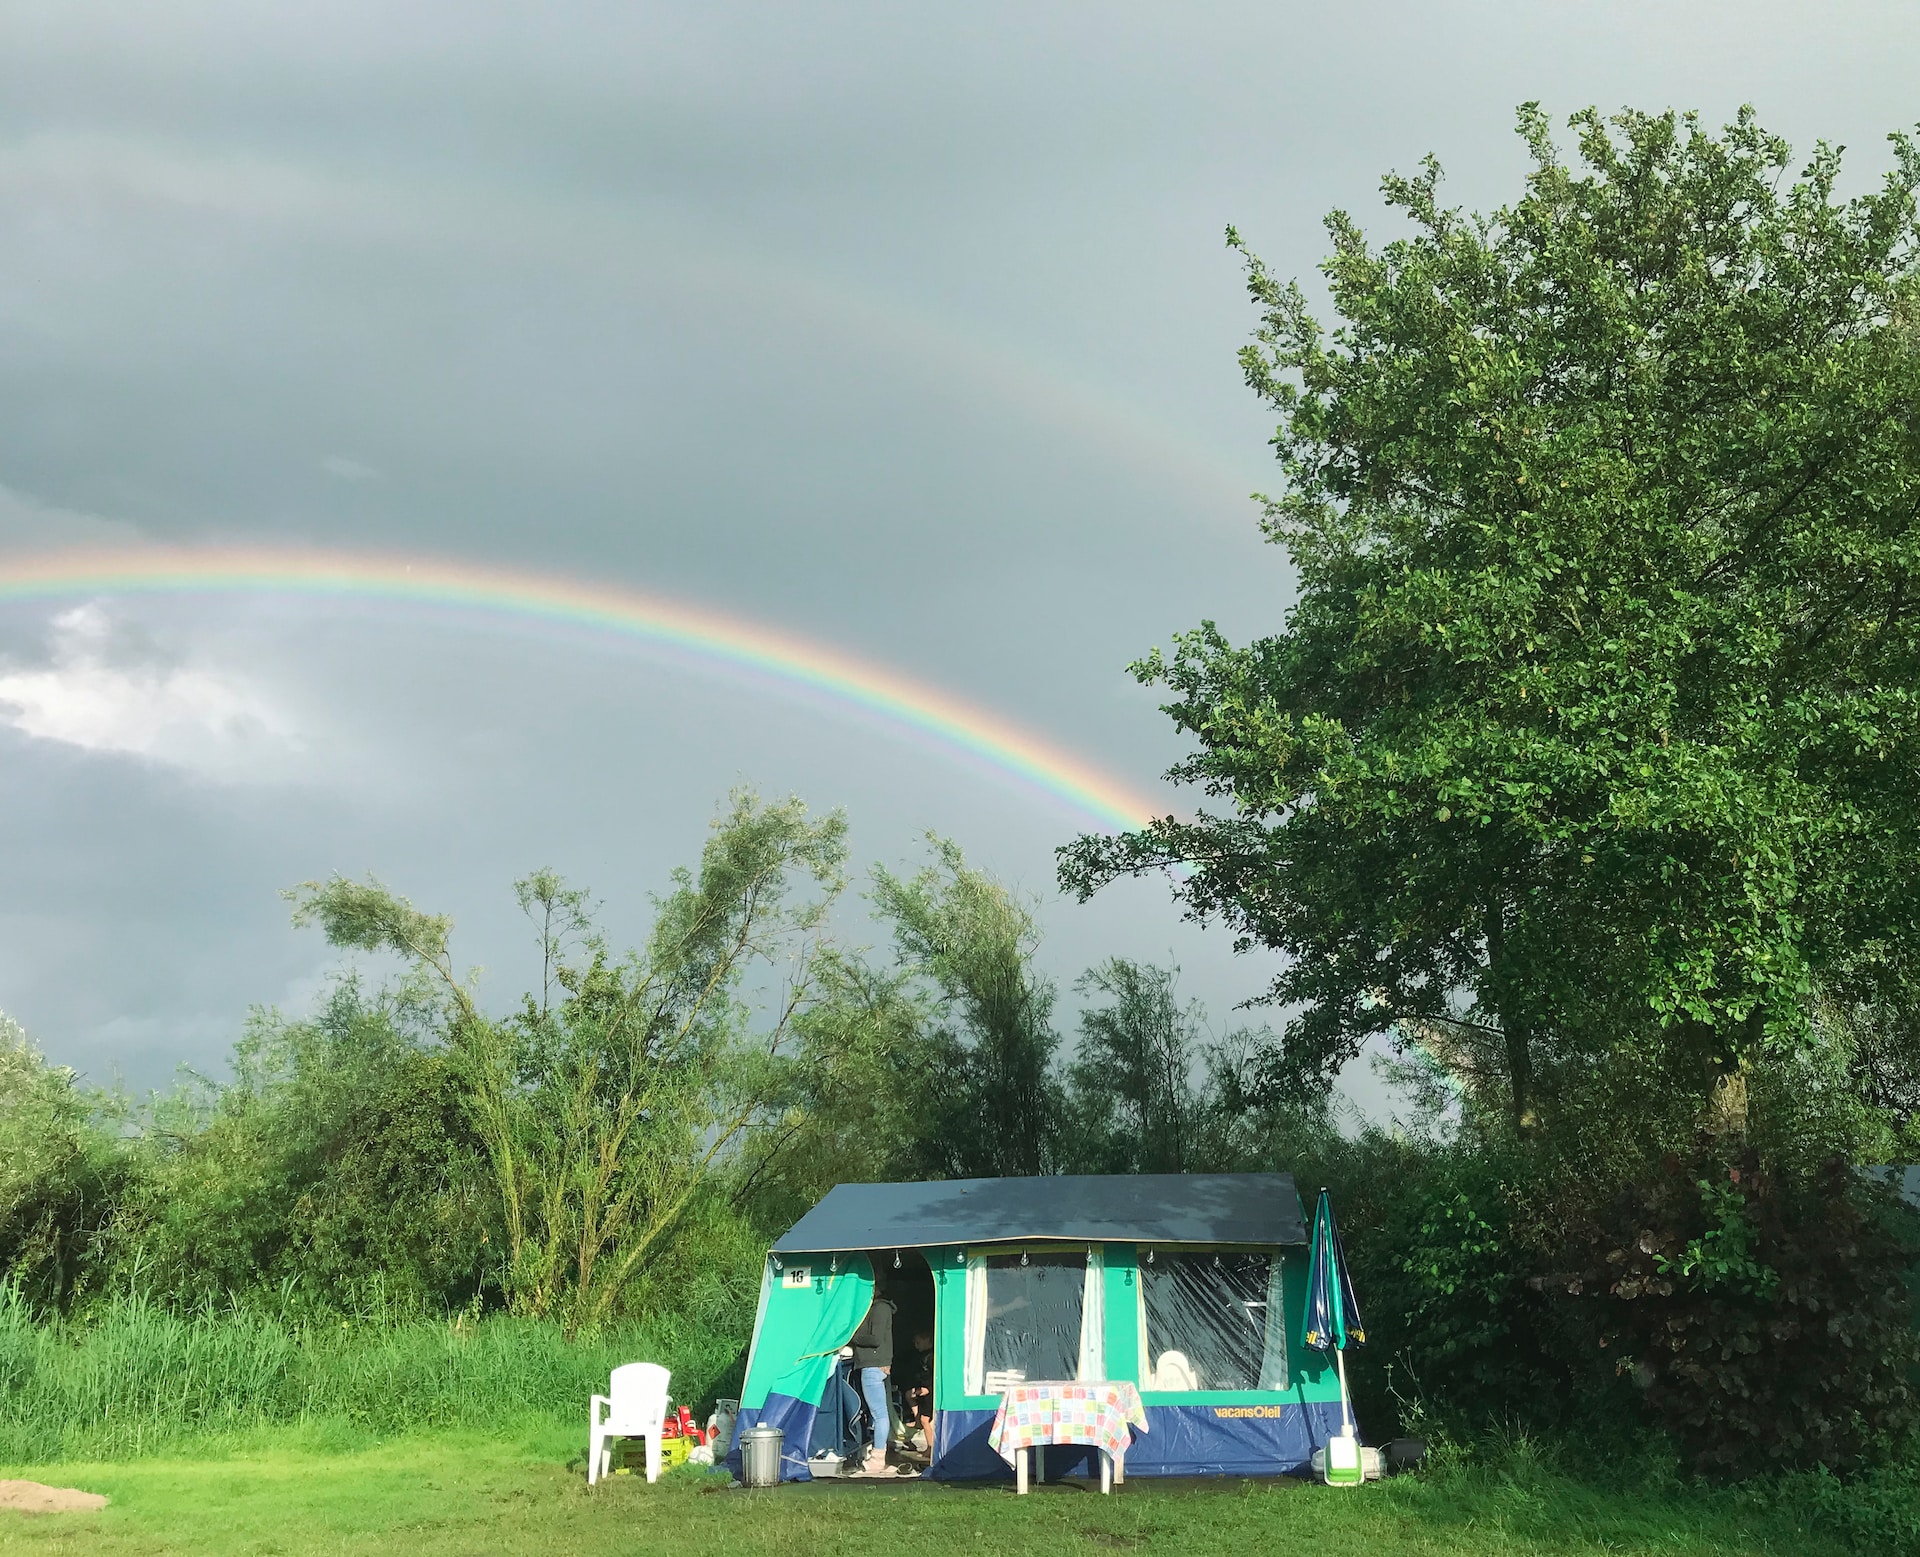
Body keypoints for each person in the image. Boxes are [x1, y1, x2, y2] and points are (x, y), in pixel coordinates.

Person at [848, 1288, 897, 1476]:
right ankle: (876, 1455)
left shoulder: (879, 1309)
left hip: (872, 1366)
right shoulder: (881, 1308)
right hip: (877, 1365)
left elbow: (875, 1339)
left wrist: (852, 1337)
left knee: (879, 1414)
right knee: (879, 1414)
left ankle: (877, 1459)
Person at [900, 1329, 934, 1453]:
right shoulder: (921, 1356)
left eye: (918, 1343)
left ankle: (930, 1449)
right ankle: (917, 1419)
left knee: (926, 1420)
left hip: (931, 1392)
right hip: (923, 1389)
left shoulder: (932, 1357)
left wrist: (928, 1389)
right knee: (909, 1394)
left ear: (927, 1340)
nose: (916, 1346)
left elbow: (935, 1376)